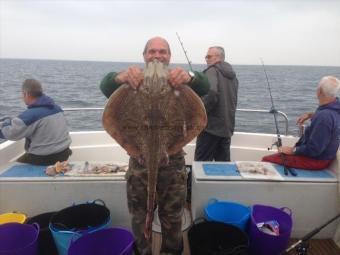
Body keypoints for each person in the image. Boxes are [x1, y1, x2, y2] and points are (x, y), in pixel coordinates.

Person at [100, 36, 209, 255]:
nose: (157, 55)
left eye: (162, 51)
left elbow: (205, 85)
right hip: (139, 157)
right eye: (152, 51)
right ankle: (142, 251)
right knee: (140, 216)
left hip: (172, 157)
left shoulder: (179, 80)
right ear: (144, 56)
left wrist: (189, 76)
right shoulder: (133, 80)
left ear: (169, 56)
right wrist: (120, 77)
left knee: (172, 217)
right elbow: (105, 85)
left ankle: (171, 251)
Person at [262, 75, 340, 170]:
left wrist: (293, 150)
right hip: (321, 157)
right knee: (279, 156)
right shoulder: (333, 108)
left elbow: (314, 149)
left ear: (319, 91)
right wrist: (311, 114)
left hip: (316, 160)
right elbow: (327, 118)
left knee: (266, 161)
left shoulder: (324, 117)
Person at [0, 79, 72, 165]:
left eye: (22, 94)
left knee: (14, 167)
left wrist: (6, 123)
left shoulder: (31, 115)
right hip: (64, 153)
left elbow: (11, 134)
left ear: (25, 93)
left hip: (44, 158)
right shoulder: (57, 108)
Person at [194, 46, 238, 161]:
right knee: (223, 166)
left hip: (211, 128)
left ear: (218, 57)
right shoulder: (233, 76)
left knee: (201, 164)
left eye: (208, 56)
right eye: (206, 57)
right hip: (227, 128)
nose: (206, 59)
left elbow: (212, 93)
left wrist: (199, 111)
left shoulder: (212, 71)